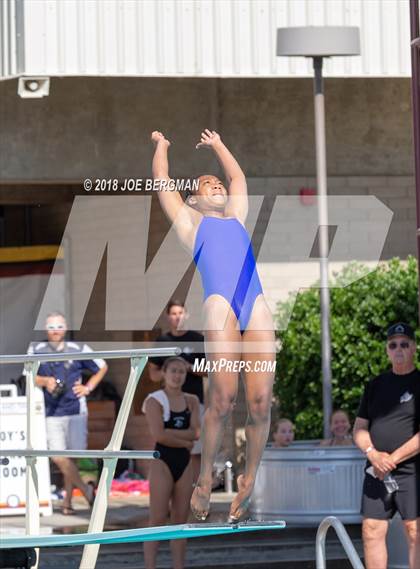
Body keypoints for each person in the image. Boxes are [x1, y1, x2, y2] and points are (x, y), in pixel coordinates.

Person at [151, 129, 276, 522]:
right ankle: (204, 479)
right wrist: (163, 146)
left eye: (217, 182)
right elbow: (161, 183)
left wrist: (220, 145)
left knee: (259, 404)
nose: (217, 185)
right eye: (208, 183)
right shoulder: (191, 223)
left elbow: (238, 179)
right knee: (223, 400)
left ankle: (249, 479)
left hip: (254, 303)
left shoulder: (237, 216)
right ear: (194, 198)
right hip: (221, 305)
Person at [26, 312, 108, 515]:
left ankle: (67, 502)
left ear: (66, 328)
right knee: (57, 456)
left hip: (75, 410)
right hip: (51, 410)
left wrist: (88, 387)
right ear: (46, 329)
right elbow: (28, 373)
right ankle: (87, 490)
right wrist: (45, 381)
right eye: (51, 326)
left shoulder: (78, 348)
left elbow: (102, 366)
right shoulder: (36, 349)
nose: (55, 330)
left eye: (59, 326)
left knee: (73, 457)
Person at [353, 322, 420, 569]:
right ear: (387, 350)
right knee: (371, 529)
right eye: (393, 345)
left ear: (414, 348)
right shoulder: (375, 385)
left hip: (411, 470)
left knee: (415, 530)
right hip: (376, 469)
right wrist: (373, 454)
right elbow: (359, 428)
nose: (399, 349)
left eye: (404, 344)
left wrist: (391, 458)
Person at [143, 357, 200, 569]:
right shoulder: (154, 400)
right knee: (157, 519)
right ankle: (150, 566)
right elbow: (159, 435)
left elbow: (196, 432)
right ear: (164, 374)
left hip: (184, 463)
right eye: (173, 371)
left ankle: (179, 566)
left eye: (181, 372)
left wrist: (174, 435)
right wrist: (184, 439)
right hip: (162, 462)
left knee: (180, 522)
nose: (177, 376)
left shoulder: (192, 400)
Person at [148, 299, 207, 482]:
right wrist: (170, 372)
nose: (177, 317)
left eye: (180, 313)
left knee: (196, 450)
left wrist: (187, 367)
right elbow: (153, 374)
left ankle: (195, 492)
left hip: (194, 402)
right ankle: (175, 491)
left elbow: (208, 370)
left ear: (186, 315)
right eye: (173, 314)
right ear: (168, 317)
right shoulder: (162, 341)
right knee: (169, 446)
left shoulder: (197, 339)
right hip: (168, 404)